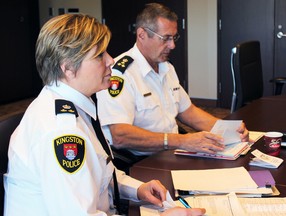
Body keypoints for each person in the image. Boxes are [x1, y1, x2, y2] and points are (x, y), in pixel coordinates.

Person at [3, 14, 205, 216]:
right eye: (100, 55)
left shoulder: (76, 105)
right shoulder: (62, 131)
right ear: (68, 68)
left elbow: (100, 172)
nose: (110, 60)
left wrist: (137, 189)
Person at [97, 3, 249, 159]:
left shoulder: (166, 68)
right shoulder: (120, 74)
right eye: (166, 38)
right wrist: (181, 141)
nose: (172, 45)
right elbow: (120, 135)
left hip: (172, 151)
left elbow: (188, 112)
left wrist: (228, 130)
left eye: (174, 37)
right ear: (142, 34)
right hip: (141, 161)